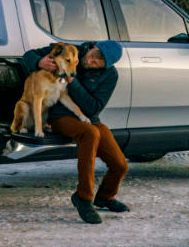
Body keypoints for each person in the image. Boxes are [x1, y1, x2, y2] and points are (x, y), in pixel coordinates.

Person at [22, 40, 129, 224]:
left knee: (120, 165)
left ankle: (105, 197)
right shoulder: (70, 50)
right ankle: (84, 197)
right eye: (94, 55)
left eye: (98, 62)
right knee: (90, 134)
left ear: (107, 66)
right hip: (58, 114)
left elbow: (93, 108)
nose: (92, 61)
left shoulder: (110, 75)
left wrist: (72, 81)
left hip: (87, 117)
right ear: (93, 47)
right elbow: (28, 55)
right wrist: (39, 62)